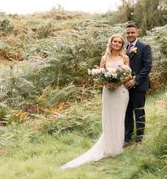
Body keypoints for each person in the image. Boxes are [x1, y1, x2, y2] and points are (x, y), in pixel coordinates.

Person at [60, 34, 130, 169]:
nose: (117, 44)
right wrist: (107, 83)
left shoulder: (125, 58)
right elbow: (100, 76)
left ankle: (117, 148)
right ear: (111, 43)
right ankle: (108, 147)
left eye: (119, 42)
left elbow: (128, 75)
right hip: (108, 92)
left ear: (122, 45)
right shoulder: (104, 58)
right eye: (114, 41)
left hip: (120, 92)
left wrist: (117, 83)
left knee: (119, 118)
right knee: (108, 117)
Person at [123, 22, 152, 145]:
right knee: (127, 112)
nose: (130, 34)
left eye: (132, 32)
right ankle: (127, 138)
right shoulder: (124, 48)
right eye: (128, 33)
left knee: (139, 111)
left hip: (139, 86)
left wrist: (135, 80)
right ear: (126, 34)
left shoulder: (144, 47)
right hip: (124, 86)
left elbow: (147, 66)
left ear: (137, 33)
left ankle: (139, 138)